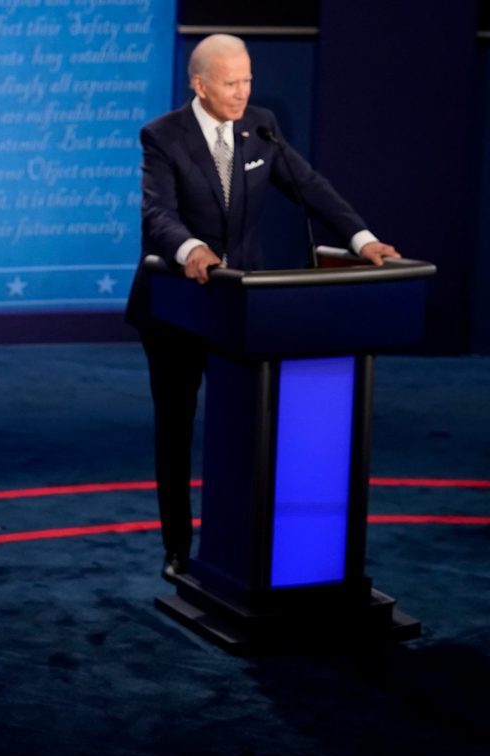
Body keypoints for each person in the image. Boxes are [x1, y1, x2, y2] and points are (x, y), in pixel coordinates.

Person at [124, 34, 400, 582]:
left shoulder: (261, 126)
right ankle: (178, 547)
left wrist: (362, 239)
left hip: (245, 309)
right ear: (199, 85)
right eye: (231, 83)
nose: (242, 91)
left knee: (247, 428)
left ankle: (243, 544)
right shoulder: (163, 136)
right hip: (177, 308)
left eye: (247, 79)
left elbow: (311, 188)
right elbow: (158, 215)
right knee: (176, 431)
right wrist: (190, 249)